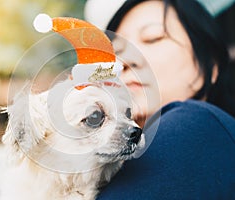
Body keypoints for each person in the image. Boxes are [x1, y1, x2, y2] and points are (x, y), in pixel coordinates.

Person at [84, 0, 235, 199]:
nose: (124, 61)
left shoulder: (195, 123)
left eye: (153, 38)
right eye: (116, 52)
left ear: (210, 65)